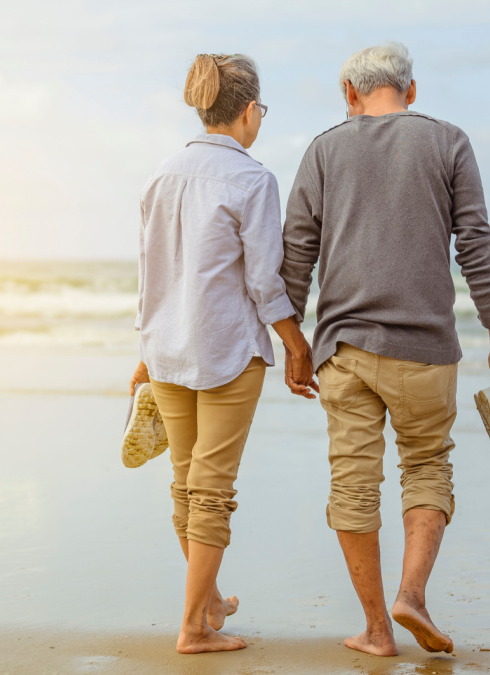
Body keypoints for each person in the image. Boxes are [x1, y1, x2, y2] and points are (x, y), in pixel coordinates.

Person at [280, 42, 490, 657]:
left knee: (354, 485)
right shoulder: (448, 141)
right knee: (427, 467)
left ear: (350, 95)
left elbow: (296, 254)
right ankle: (411, 595)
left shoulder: (325, 149)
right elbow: (476, 244)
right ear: (411, 92)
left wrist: (294, 344)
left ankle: (377, 630)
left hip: (345, 350)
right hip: (426, 350)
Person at [129, 53, 317, 655]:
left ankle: (206, 603)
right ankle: (192, 629)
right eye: (260, 109)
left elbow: (149, 274)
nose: (259, 119)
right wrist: (295, 343)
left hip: (166, 350)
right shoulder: (252, 179)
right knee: (211, 490)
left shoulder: (162, 174)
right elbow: (265, 281)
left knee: (186, 485)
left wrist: (143, 350)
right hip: (228, 350)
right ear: (246, 111)